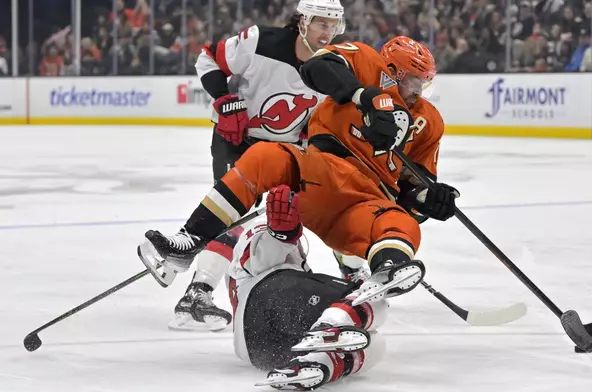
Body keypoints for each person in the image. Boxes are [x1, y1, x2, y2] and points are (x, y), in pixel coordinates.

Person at [136, 36, 457, 323]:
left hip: (368, 198)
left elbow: (414, 191)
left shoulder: (429, 121)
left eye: (423, 84)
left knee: (399, 223)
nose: (417, 92)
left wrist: (431, 199)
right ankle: (188, 242)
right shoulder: (363, 60)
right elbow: (318, 66)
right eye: (413, 81)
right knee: (263, 159)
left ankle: (384, 267)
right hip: (322, 170)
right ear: (390, 70)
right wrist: (364, 95)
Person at [166, 0, 346, 332]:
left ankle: (350, 276)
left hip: (283, 150)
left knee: (309, 209)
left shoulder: (332, 67)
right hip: (237, 139)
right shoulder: (261, 40)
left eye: (334, 26)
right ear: (303, 22)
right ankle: (198, 293)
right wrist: (222, 99)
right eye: (322, 24)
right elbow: (208, 59)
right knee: (232, 214)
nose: (328, 33)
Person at [228, 185, 387, 390]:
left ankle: (315, 364)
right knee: (368, 298)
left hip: (264, 350)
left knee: (374, 344)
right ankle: (324, 329)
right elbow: (257, 261)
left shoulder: (293, 260)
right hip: (261, 304)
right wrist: (279, 233)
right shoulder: (260, 226)